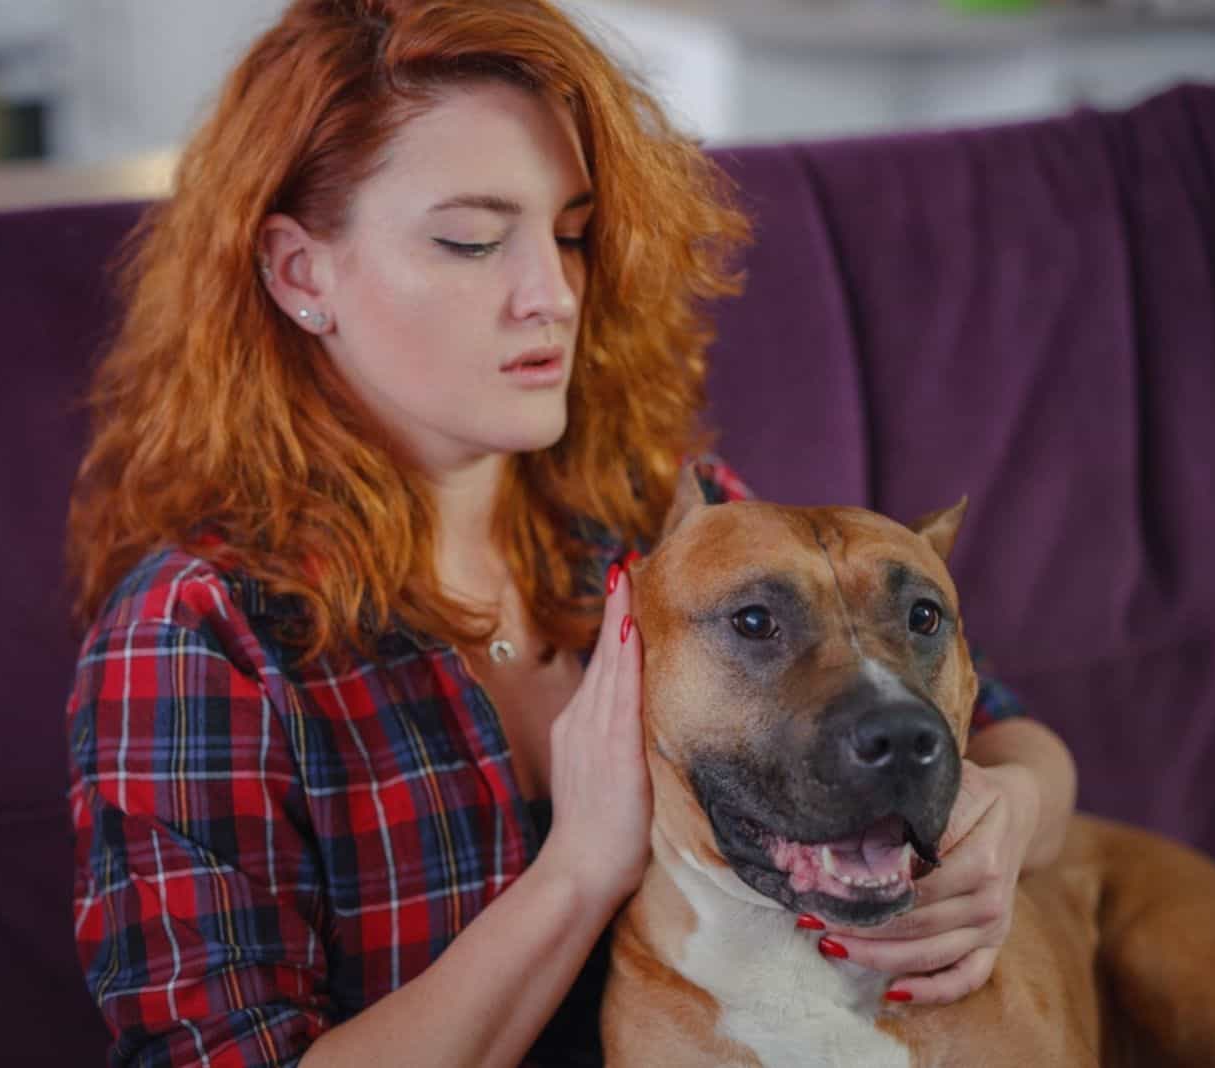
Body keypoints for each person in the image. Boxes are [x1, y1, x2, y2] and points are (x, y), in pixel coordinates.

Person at [63, 2, 1079, 1065]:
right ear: (300, 272)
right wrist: (580, 868)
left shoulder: (662, 520)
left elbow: (996, 731)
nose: (551, 293)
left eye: (572, 233)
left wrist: (1002, 814)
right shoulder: (199, 635)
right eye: (470, 239)